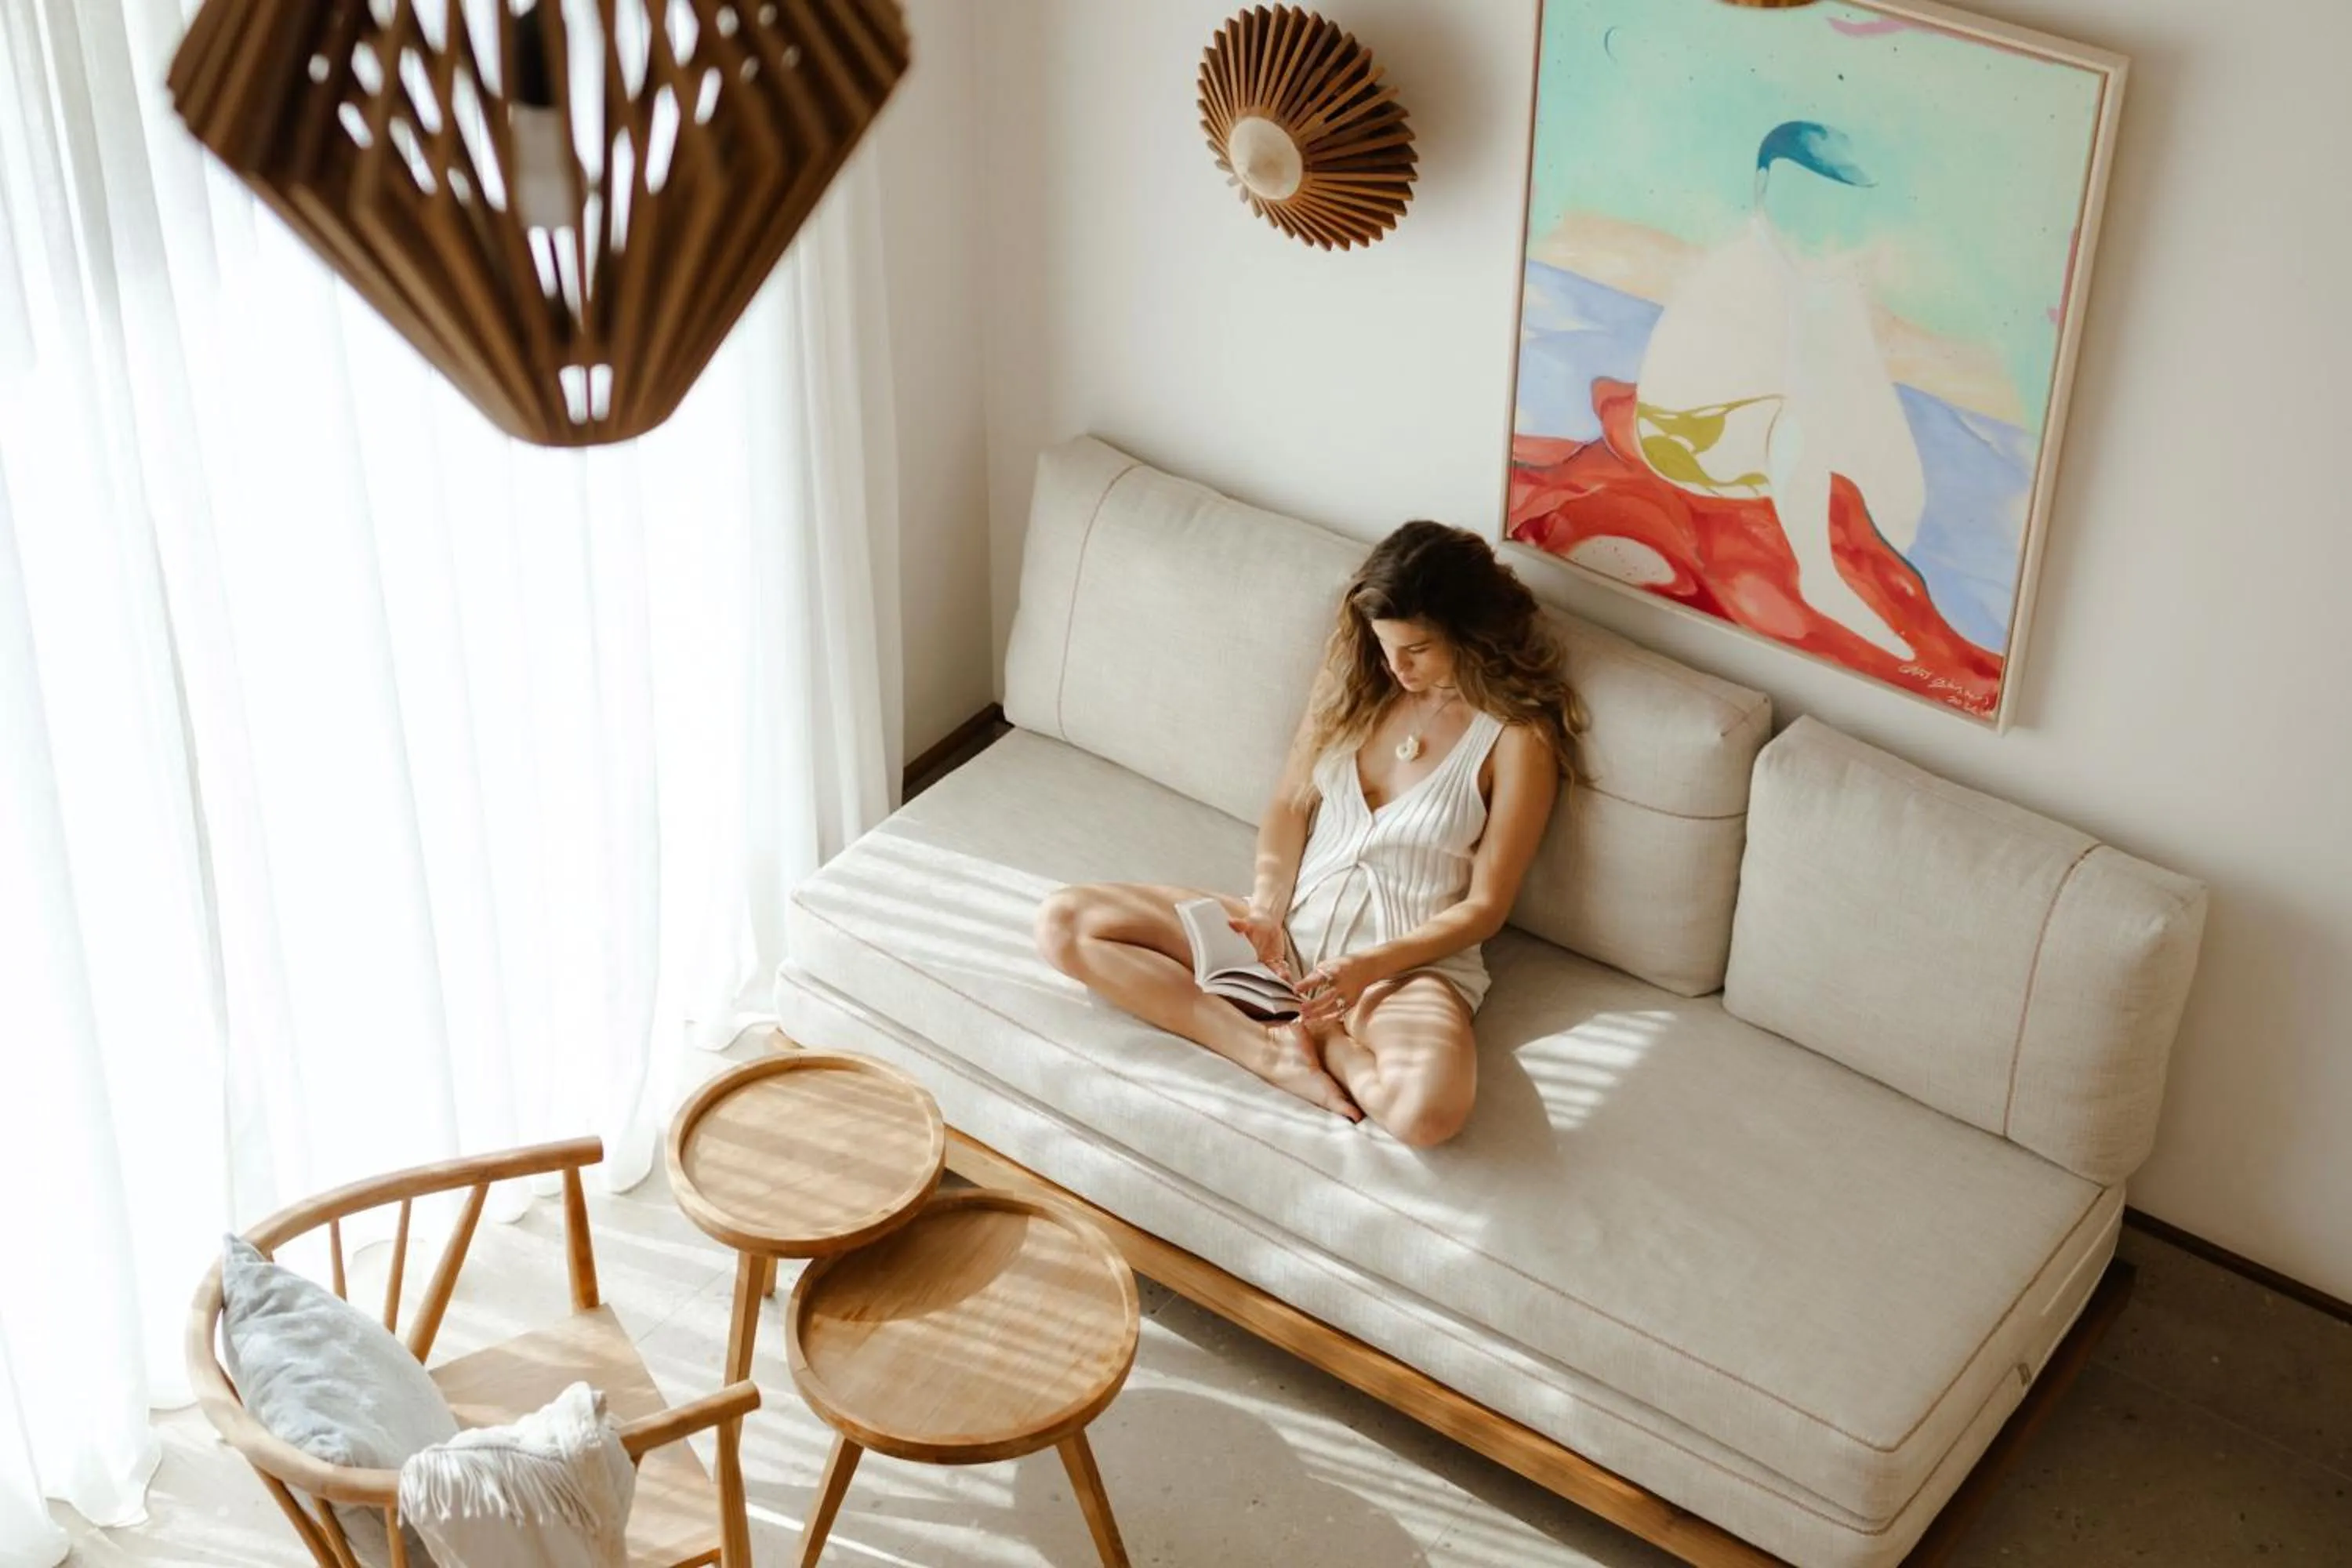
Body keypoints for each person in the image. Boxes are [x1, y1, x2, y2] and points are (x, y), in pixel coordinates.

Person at [1033, 521, 1581, 1146]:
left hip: (1400, 972)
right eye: (1384, 645)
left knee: (1429, 1114)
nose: (1395, 666)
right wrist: (1265, 910)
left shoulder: (1516, 739)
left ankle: (1326, 1042)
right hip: (1285, 941)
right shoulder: (1353, 681)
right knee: (1065, 923)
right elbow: (1291, 805)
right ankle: (1269, 1050)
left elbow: (1486, 909)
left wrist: (1361, 972)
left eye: (1418, 650)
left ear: (1469, 631)